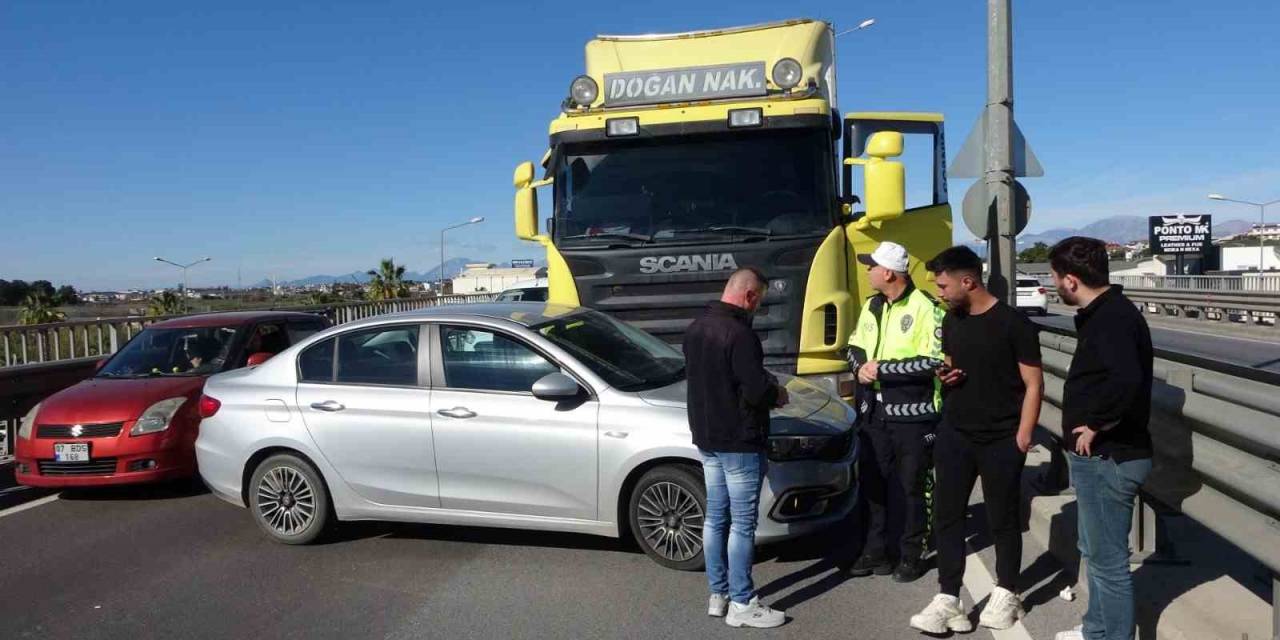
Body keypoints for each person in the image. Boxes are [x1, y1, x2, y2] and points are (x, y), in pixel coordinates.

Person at [909, 246, 1043, 634]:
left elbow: (1034, 384)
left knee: (1003, 520)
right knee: (948, 516)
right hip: (955, 433)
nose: (939, 290)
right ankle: (948, 598)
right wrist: (946, 376)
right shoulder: (952, 319)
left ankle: (1007, 591)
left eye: (943, 283)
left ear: (968, 281)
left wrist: (1023, 436)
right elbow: (952, 366)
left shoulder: (1013, 324)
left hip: (1001, 438)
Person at [1048, 237, 1153, 640]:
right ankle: (1096, 629)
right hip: (1101, 457)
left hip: (1111, 456)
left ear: (1071, 281)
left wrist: (1097, 424)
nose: (1055, 286)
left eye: (1056, 278)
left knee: (1108, 563)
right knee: (1094, 551)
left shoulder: (1112, 319)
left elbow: (1126, 381)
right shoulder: (1104, 314)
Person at [684, 267, 789, 629]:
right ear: (750, 296)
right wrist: (778, 392)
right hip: (740, 440)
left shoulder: (696, 327)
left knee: (715, 517)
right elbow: (756, 390)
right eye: (759, 299)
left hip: (707, 437)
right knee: (742, 525)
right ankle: (743, 603)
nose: (758, 307)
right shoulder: (740, 334)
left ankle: (719, 594)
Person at [844, 241, 945, 583]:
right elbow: (855, 346)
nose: (868, 271)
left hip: (912, 416)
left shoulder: (926, 307)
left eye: (871, 266)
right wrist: (859, 368)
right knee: (872, 485)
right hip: (872, 413)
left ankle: (911, 553)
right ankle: (876, 550)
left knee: (912, 487)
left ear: (888, 272)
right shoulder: (871, 305)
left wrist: (882, 369)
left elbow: (934, 360)